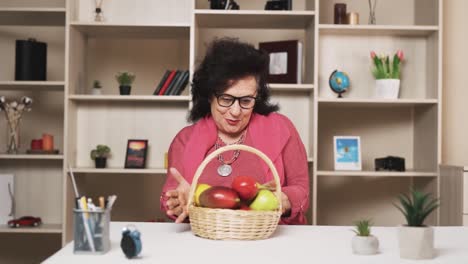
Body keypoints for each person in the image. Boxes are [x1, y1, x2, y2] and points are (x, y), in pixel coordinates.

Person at [160, 38, 309, 225]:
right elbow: (170, 197)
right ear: (209, 95)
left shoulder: (282, 128)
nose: (236, 111)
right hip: (205, 242)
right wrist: (177, 204)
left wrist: (284, 199)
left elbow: (301, 190)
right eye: (226, 99)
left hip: (267, 240)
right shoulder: (185, 139)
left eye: (246, 100)